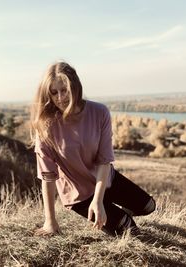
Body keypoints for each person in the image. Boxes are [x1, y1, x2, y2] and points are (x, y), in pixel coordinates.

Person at [30, 61, 156, 237]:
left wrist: (99, 201)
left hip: (104, 179)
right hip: (78, 193)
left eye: (64, 89)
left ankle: (113, 209)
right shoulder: (46, 125)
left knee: (149, 206)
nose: (60, 97)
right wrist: (50, 221)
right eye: (54, 92)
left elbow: (104, 160)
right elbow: (48, 176)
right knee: (130, 231)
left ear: (75, 86)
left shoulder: (99, 112)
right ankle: (118, 218)